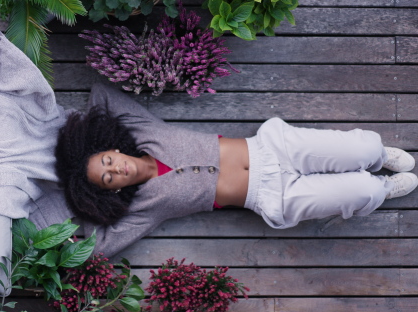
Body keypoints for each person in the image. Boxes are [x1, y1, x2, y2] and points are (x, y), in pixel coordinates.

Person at [55, 83, 418, 258]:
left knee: (366, 147)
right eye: (107, 179)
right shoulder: (141, 209)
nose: (116, 169)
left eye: (106, 161)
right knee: (364, 193)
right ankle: (382, 189)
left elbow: (101, 95)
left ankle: (377, 158)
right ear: (112, 190)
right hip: (271, 197)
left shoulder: (140, 130)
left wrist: (60, 138)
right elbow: (97, 248)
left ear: (111, 148)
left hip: (272, 148)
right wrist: (68, 224)